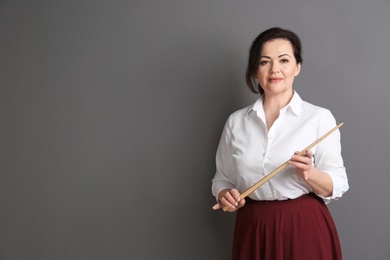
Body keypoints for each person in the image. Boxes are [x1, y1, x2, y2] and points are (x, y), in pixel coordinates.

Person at [211, 27, 349, 260]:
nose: (274, 69)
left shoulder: (319, 118)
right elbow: (222, 178)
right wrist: (225, 194)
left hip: (303, 227)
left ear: (297, 67)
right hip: (252, 227)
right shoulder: (236, 122)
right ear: (255, 69)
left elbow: (338, 184)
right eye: (265, 61)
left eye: (284, 60)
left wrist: (309, 173)